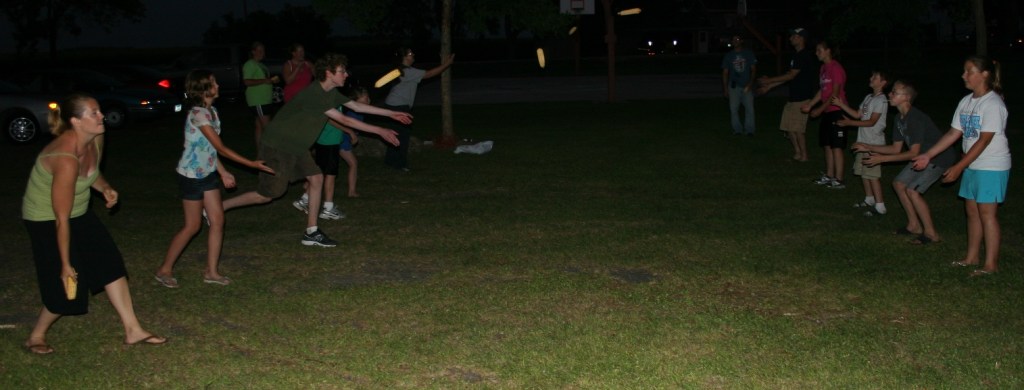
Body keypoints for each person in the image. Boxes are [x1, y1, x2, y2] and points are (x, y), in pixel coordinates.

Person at [21, 93, 166, 354]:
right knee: (67, 286)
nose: (102, 117)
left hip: (78, 210)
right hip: (46, 218)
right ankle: (36, 336)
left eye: (99, 111)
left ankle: (133, 330)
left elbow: (91, 173)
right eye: (94, 113)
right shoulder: (64, 157)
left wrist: (105, 187)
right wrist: (66, 264)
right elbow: (61, 219)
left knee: (109, 264)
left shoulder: (96, 138)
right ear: (75, 121)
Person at [222, 53, 409, 247]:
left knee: (317, 178)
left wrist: (391, 113)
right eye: (342, 71)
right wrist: (380, 130)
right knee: (268, 195)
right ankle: (220, 207)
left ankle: (311, 231)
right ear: (328, 73)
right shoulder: (315, 94)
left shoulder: (330, 92)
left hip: (297, 146)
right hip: (278, 145)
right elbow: (344, 119)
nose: (346, 74)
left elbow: (355, 106)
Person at [155, 70, 275, 288]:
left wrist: (223, 172)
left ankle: (211, 272)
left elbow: (209, 149)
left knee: (218, 221)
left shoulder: (212, 112)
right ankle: (164, 270)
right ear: (204, 89)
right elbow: (220, 147)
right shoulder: (198, 114)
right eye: (213, 83)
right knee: (192, 226)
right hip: (191, 176)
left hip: (208, 173)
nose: (218, 85)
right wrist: (251, 164)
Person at [912, 56, 1010, 276]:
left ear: (984, 74)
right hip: (973, 164)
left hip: (991, 165)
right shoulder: (966, 101)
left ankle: (991, 265)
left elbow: (984, 141)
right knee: (972, 212)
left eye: (969, 71)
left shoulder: (993, 103)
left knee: (987, 213)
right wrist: (928, 155)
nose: (963, 76)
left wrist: (958, 167)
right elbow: (953, 133)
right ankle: (971, 257)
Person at [853, 80, 956, 244]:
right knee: (899, 184)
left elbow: (912, 152)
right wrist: (867, 146)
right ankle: (914, 225)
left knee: (912, 191)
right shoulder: (899, 118)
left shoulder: (915, 118)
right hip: (921, 156)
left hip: (939, 157)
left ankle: (931, 234)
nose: (890, 94)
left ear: (906, 97)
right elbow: (896, 149)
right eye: (891, 91)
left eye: (895, 92)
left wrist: (881, 159)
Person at [293, 86, 368, 218]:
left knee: (321, 173)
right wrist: (348, 130)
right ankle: (328, 208)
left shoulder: (328, 95)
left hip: (326, 139)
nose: (344, 76)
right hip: (329, 140)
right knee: (330, 175)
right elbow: (329, 119)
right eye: (341, 74)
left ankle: (304, 199)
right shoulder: (330, 97)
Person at [382, 47, 455, 171]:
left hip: (392, 104)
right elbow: (430, 74)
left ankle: (390, 161)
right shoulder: (407, 71)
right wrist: (447, 63)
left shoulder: (401, 70)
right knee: (403, 136)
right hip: (399, 106)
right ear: (404, 57)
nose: (413, 54)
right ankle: (400, 164)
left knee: (395, 133)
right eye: (410, 53)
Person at [757, 28, 818, 162]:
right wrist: (769, 86)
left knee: (798, 129)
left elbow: (791, 75)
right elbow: (788, 76)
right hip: (793, 98)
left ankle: (804, 156)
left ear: (801, 38)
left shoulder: (804, 55)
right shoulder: (796, 56)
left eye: (794, 36)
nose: (790, 38)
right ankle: (797, 153)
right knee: (788, 127)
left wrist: (769, 80)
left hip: (802, 98)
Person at [833, 70, 890, 216]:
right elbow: (858, 115)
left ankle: (880, 206)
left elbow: (872, 122)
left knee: (872, 175)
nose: (871, 78)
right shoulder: (869, 97)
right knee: (864, 173)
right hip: (863, 141)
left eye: (875, 77)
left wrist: (849, 123)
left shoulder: (881, 100)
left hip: (874, 142)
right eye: (872, 76)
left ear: (883, 83)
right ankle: (869, 199)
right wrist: (841, 104)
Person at [801, 40, 849, 189]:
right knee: (827, 144)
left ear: (828, 51)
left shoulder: (836, 68)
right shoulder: (823, 68)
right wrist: (811, 104)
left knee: (836, 146)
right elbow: (822, 91)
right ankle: (829, 176)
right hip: (828, 111)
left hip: (838, 111)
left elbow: (835, 94)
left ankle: (839, 179)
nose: (817, 53)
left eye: (819, 50)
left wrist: (820, 109)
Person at [243, 41, 280, 146]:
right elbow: (247, 81)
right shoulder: (250, 64)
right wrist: (265, 81)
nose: (262, 53)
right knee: (268, 128)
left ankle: (260, 152)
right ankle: (272, 151)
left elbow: (264, 80)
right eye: (259, 50)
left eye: (263, 50)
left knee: (259, 126)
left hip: (265, 99)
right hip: (258, 100)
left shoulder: (261, 65)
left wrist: (271, 81)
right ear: (253, 52)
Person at [721, 34, 757, 135]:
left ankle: (749, 130)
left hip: (746, 85)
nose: (735, 41)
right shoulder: (729, 56)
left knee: (749, 109)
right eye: (733, 39)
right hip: (734, 86)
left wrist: (750, 84)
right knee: (733, 109)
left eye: (737, 39)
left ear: (741, 41)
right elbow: (725, 73)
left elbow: (753, 70)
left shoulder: (748, 54)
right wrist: (725, 88)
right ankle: (737, 129)